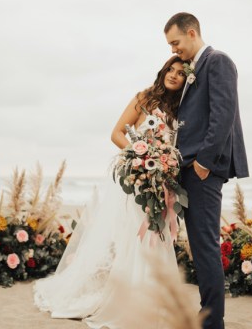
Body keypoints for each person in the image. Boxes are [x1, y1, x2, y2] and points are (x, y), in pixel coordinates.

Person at [33, 56, 187, 329]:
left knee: (157, 235)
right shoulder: (144, 98)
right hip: (135, 180)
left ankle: (153, 299)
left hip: (160, 182)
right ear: (163, 71)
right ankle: (128, 299)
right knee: (133, 236)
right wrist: (138, 158)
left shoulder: (182, 108)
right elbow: (116, 133)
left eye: (181, 73)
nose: (174, 75)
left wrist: (162, 168)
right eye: (171, 70)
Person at [164, 12, 249, 329]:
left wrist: (203, 163)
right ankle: (208, 315)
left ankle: (213, 321)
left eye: (175, 42)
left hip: (203, 169)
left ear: (191, 33)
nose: (174, 49)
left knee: (205, 244)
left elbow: (223, 116)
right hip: (188, 167)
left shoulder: (218, 61)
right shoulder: (193, 70)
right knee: (199, 246)